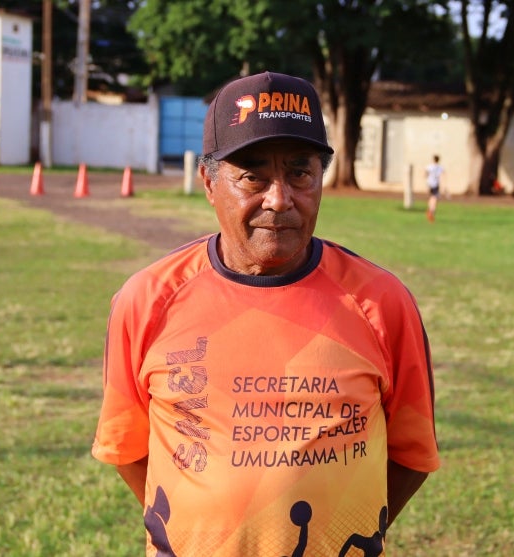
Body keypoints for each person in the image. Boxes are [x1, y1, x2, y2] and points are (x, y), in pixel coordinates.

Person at [92, 71, 440, 556]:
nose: (279, 199)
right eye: (252, 175)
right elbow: (128, 450)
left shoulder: (382, 302)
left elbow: (412, 454)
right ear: (209, 182)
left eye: (300, 172)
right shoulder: (147, 299)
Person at [425, 155, 445, 222]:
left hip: (430, 183)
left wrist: (426, 182)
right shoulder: (440, 167)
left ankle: (430, 210)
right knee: (435, 198)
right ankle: (431, 211)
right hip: (435, 184)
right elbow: (442, 175)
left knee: (431, 198)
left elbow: (425, 174)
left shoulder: (429, 167)